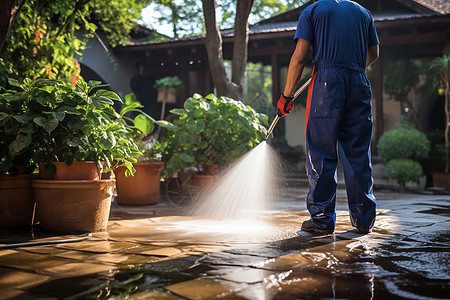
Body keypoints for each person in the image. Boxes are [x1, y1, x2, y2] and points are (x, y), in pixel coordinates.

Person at [277, 0, 380, 235]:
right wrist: (353, 69)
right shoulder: (363, 13)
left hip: (326, 84)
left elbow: (300, 58)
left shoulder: (312, 11)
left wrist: (286, 96)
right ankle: (363, 220)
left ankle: (322, 221)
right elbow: (374, 52)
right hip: (358, 82)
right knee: (358, 153)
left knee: (322, 152)